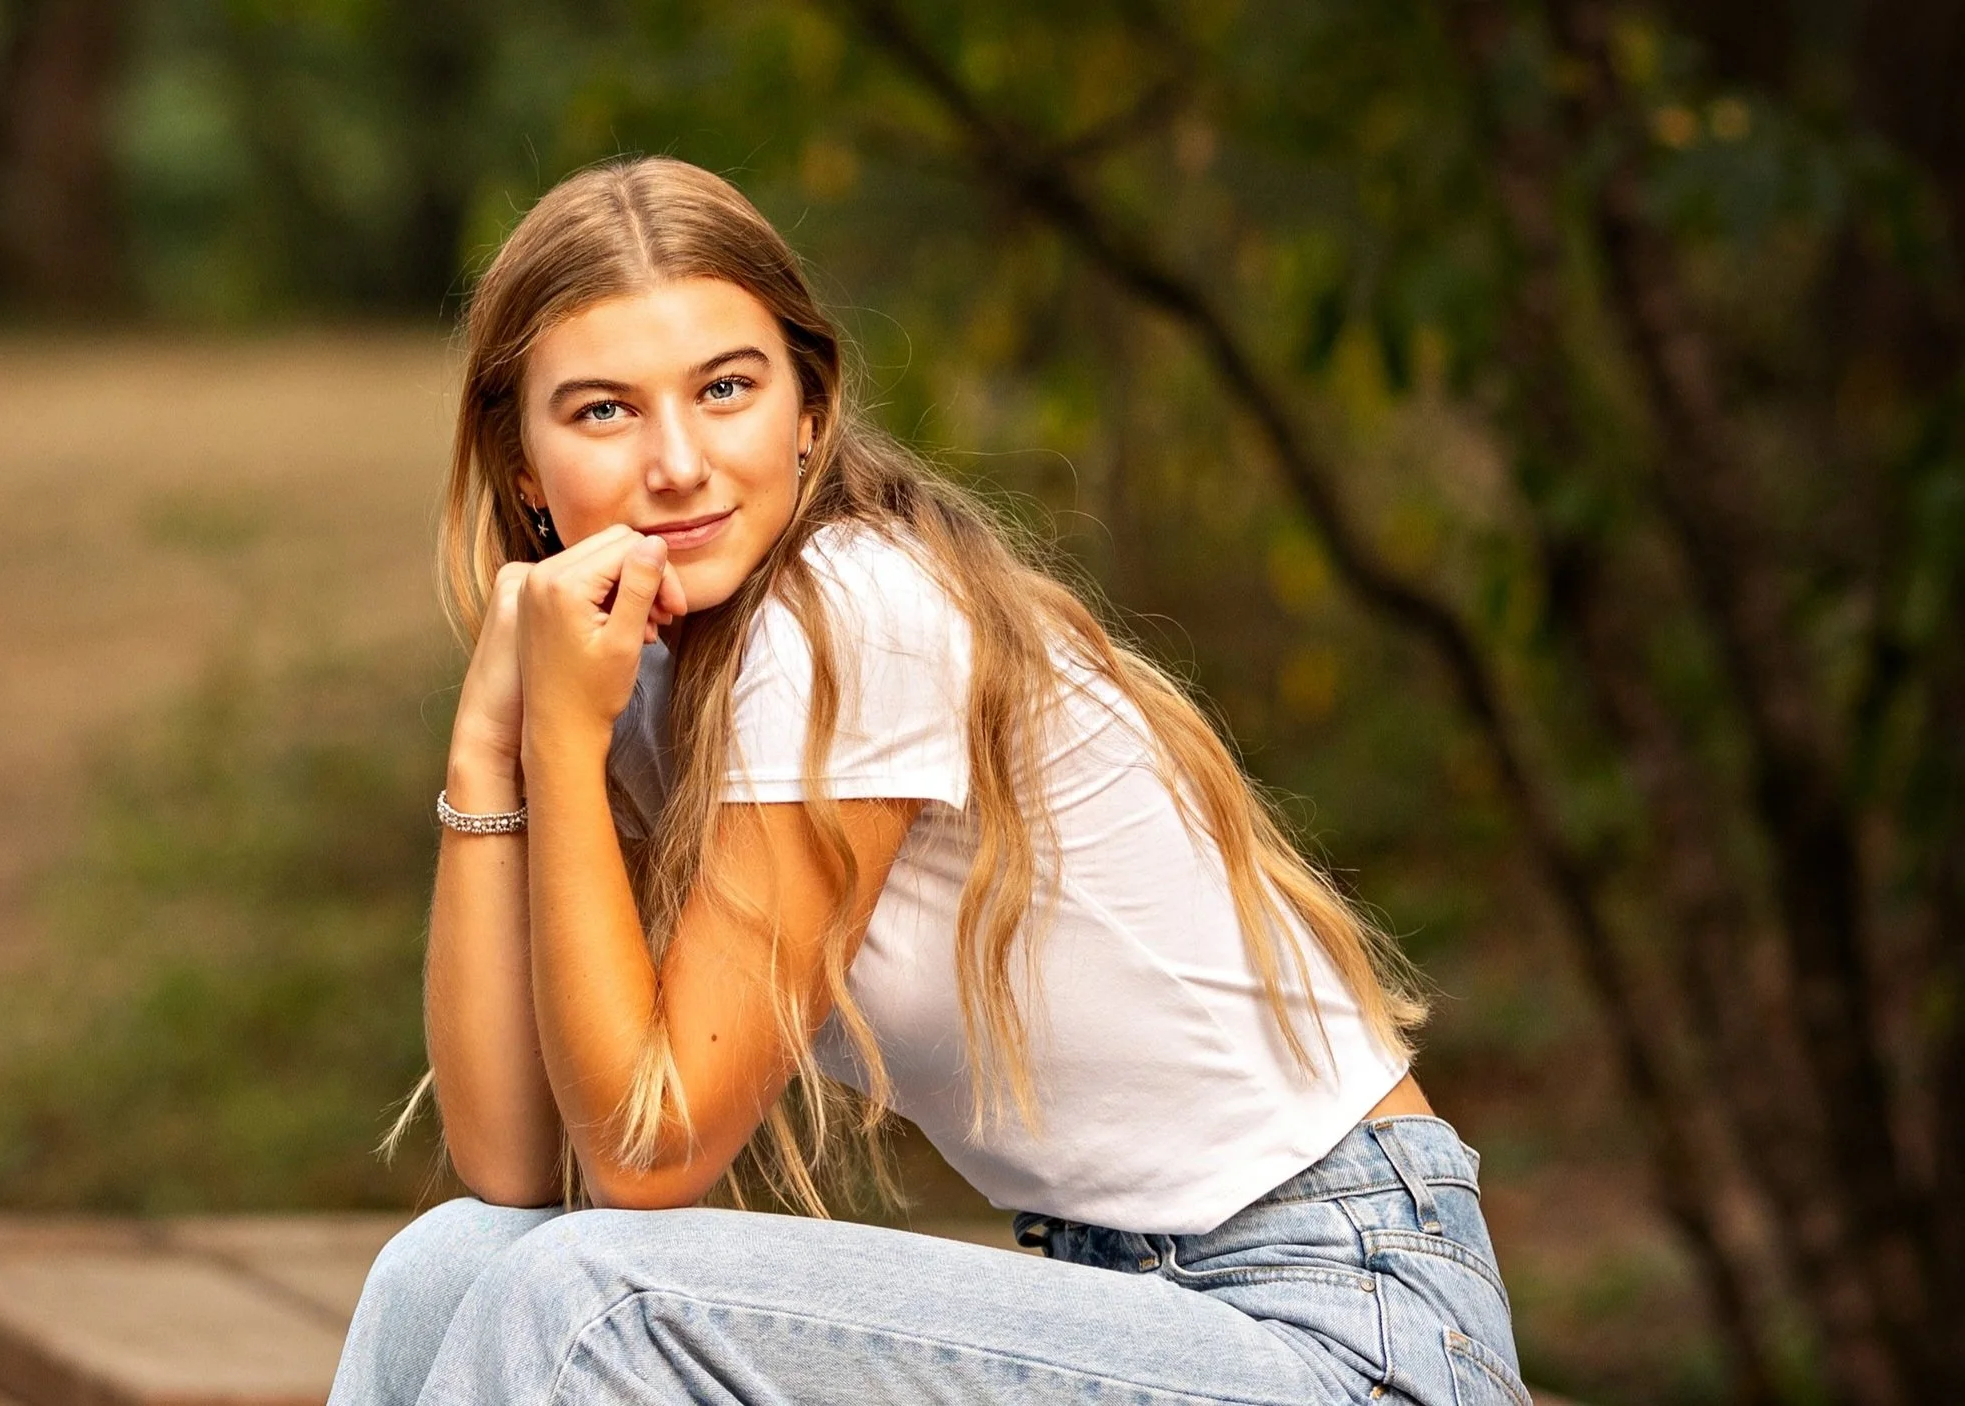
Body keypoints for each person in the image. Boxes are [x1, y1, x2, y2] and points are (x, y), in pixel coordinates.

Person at [326, 156, 1529, 1406]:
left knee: (593, 1296)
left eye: (725, 388)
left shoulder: (852, 615)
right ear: (521, 464)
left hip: (1345, 1332)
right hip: (1142, 1310)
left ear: (808, 409)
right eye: (602, 411)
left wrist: (557, 748)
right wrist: (492, 745)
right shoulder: (632, 673)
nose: (676, 460)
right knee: (446, 1265)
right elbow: (510, 1163)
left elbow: (648, 1153)